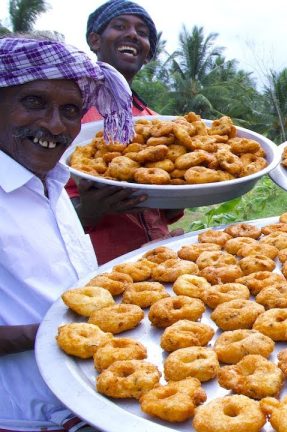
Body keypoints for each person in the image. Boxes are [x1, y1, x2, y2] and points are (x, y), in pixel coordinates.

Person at [0, 36, 134, 431]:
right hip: (23, 418)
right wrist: (55, 331)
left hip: (91, 402)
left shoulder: (51, 182)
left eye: (71, 110)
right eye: (34, 102)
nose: (55, 125)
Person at [67, 0, 183, 265]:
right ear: (94, 40)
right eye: (120, 26)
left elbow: (167, 211)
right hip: (94, 267)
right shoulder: (69, 112)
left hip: (156, 260)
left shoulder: (154, 122)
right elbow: (33, 210)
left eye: (142, 33)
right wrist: (88, 210)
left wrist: (181, 194)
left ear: (148, 53)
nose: (133, 34)